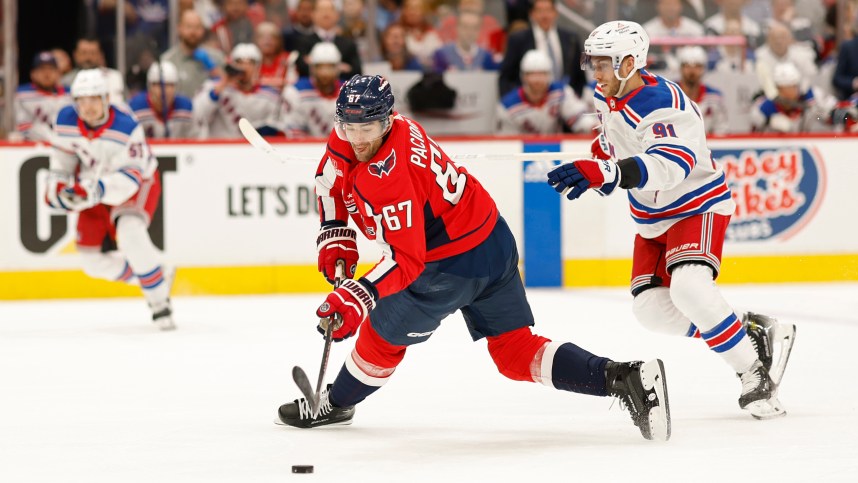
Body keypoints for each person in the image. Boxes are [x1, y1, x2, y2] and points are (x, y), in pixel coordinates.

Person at [275, 74, 672, 441]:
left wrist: (359, 295)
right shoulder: (378, 126)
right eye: (350, 127)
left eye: (368, 128)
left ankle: (336, 402)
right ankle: (622, 378)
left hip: (446, 267)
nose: (358, 139)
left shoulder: (390, 177)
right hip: (491, 240)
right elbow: (330, 175)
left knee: (379, 334)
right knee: (514, 351)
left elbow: (407, 260)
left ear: (388, 119)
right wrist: (335, 231)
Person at [546, 21, 796, 420]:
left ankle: (752, 373)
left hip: (697, 205)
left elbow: (670, 165)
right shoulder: (604, 93)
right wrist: (602, 161)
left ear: (629, 62)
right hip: (652, 218)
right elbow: (615, 141)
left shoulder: (662, 105)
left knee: (691, 290)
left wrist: (610, 173)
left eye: (603, 64)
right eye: (592, 63)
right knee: (651, 312)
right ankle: (748, 333)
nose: (596, 72)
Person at [45, 69, 174, 330]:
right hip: (94, 185)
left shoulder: (127, 126)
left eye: (94, 99)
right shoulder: (66, 120)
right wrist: (57, 183)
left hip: (137, 184)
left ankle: (159, 302)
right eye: (82, 100)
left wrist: (97, 190)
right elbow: (64, 158)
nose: (88, 107)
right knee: (92, 263)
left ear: (106, 99)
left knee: (129, 233)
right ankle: (153, 274)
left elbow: (131, 178)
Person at [192, 43, 281, 139]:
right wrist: (221, 86)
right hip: (220, 148)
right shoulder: (213, 86)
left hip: (253, 150)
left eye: (251, 62)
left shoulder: (269, 95)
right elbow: (198, 115)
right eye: (239, 62)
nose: (245, 67)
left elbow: (278, 125)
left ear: (258, 66)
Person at [497, 50, 594, 134]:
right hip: (524, 152)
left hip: (556, 149)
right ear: (523, 76)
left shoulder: (560, 92)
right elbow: (508, 141)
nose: (537, 79)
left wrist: (593, 127)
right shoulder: (508, 106)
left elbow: (578, 117)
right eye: (531, 74)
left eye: (542, 73)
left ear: (549, 75)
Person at [750, 62, 838, 133]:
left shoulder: (812, 96)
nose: (791, 91)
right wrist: (769, 124)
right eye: (784, 88)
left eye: (794, 86)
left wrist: (818, 115)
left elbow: (831, 117)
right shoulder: (764, 107)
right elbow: (754, 138)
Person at [281, 42, 342, 137]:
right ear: (312, 68)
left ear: (338, 68)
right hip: (306, 149)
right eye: (320, 67)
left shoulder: (349, 92)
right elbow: (293, 132)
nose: (325, 73)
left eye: (330, 67)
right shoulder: (295, 92)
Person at [14, 51, 71, 141]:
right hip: (31, 147)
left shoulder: (70, 94)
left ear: (58, 73)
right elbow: (22, 127)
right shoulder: (21, 95)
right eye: (42, 69)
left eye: (51, 69)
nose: (47, 74)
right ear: (33, 74)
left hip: (64, 145)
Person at [128, 61, 195, 139]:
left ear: (176, 87)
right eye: (158, 84)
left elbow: (198, 141)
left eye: (170, 85)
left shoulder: (186, 108)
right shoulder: (135, 108)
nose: (165, 90)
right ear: (150, 87)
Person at [675, 46, 727, 135]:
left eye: (697, 66)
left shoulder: (715, 97)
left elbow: (721, 130)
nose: (692, 71)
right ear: (680, 68)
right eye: (687, 66)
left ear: (703, 69)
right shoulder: (669, 94)